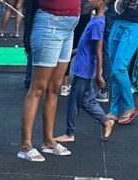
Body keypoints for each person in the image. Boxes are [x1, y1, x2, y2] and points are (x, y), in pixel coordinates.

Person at [18, 0, 80, 159]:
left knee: (54, 88)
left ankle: (48, 141)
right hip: (50, 22)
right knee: (38, 88)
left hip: (69, 24)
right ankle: (26, 145)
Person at [56, 0, 114, 140]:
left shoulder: (98, 23)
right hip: (84, 65)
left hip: (85, 68)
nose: (89, 0)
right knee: (87, 100)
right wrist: (72, 53)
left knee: (74, 100)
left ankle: (70, 133)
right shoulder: (96, 20)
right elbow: (86, 45)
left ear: (101, 2)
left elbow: (98, 50)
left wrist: (99, 74)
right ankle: (106, 122)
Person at [106, 0, 138, 125]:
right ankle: (113, 110)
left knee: (119, 69)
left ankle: (129, 107)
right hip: (118, 20)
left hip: (135, 22)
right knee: (114, 68)